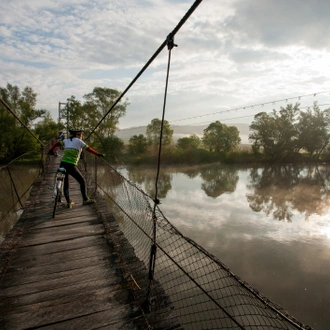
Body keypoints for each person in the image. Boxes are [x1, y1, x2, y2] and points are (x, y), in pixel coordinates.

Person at [48, 128, 104, 208]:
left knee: (66, 183)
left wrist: (51, 150)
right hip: (71, 165)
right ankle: (85, 199)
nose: (82, 136)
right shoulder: (79, 141)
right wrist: (97, 154)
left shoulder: (66, 140)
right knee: (82, 181)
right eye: (81, 135)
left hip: (62, 164)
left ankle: (68, 202)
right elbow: (88, 149)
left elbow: (57, 144)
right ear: (77, 135)